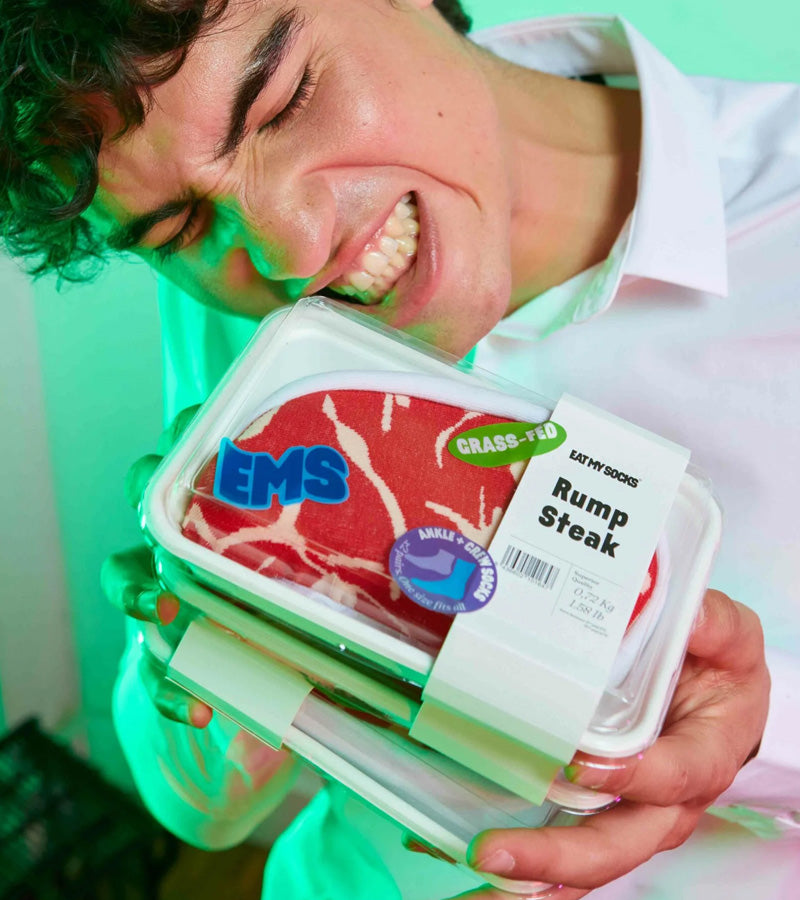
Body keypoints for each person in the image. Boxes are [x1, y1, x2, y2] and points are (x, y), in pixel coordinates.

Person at [1, 1, 798, 898]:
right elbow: (198, 809)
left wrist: (763, 736)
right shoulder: (242, 287)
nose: (292, 252)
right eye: (175, 228)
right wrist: (208, 620)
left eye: (285, 102)